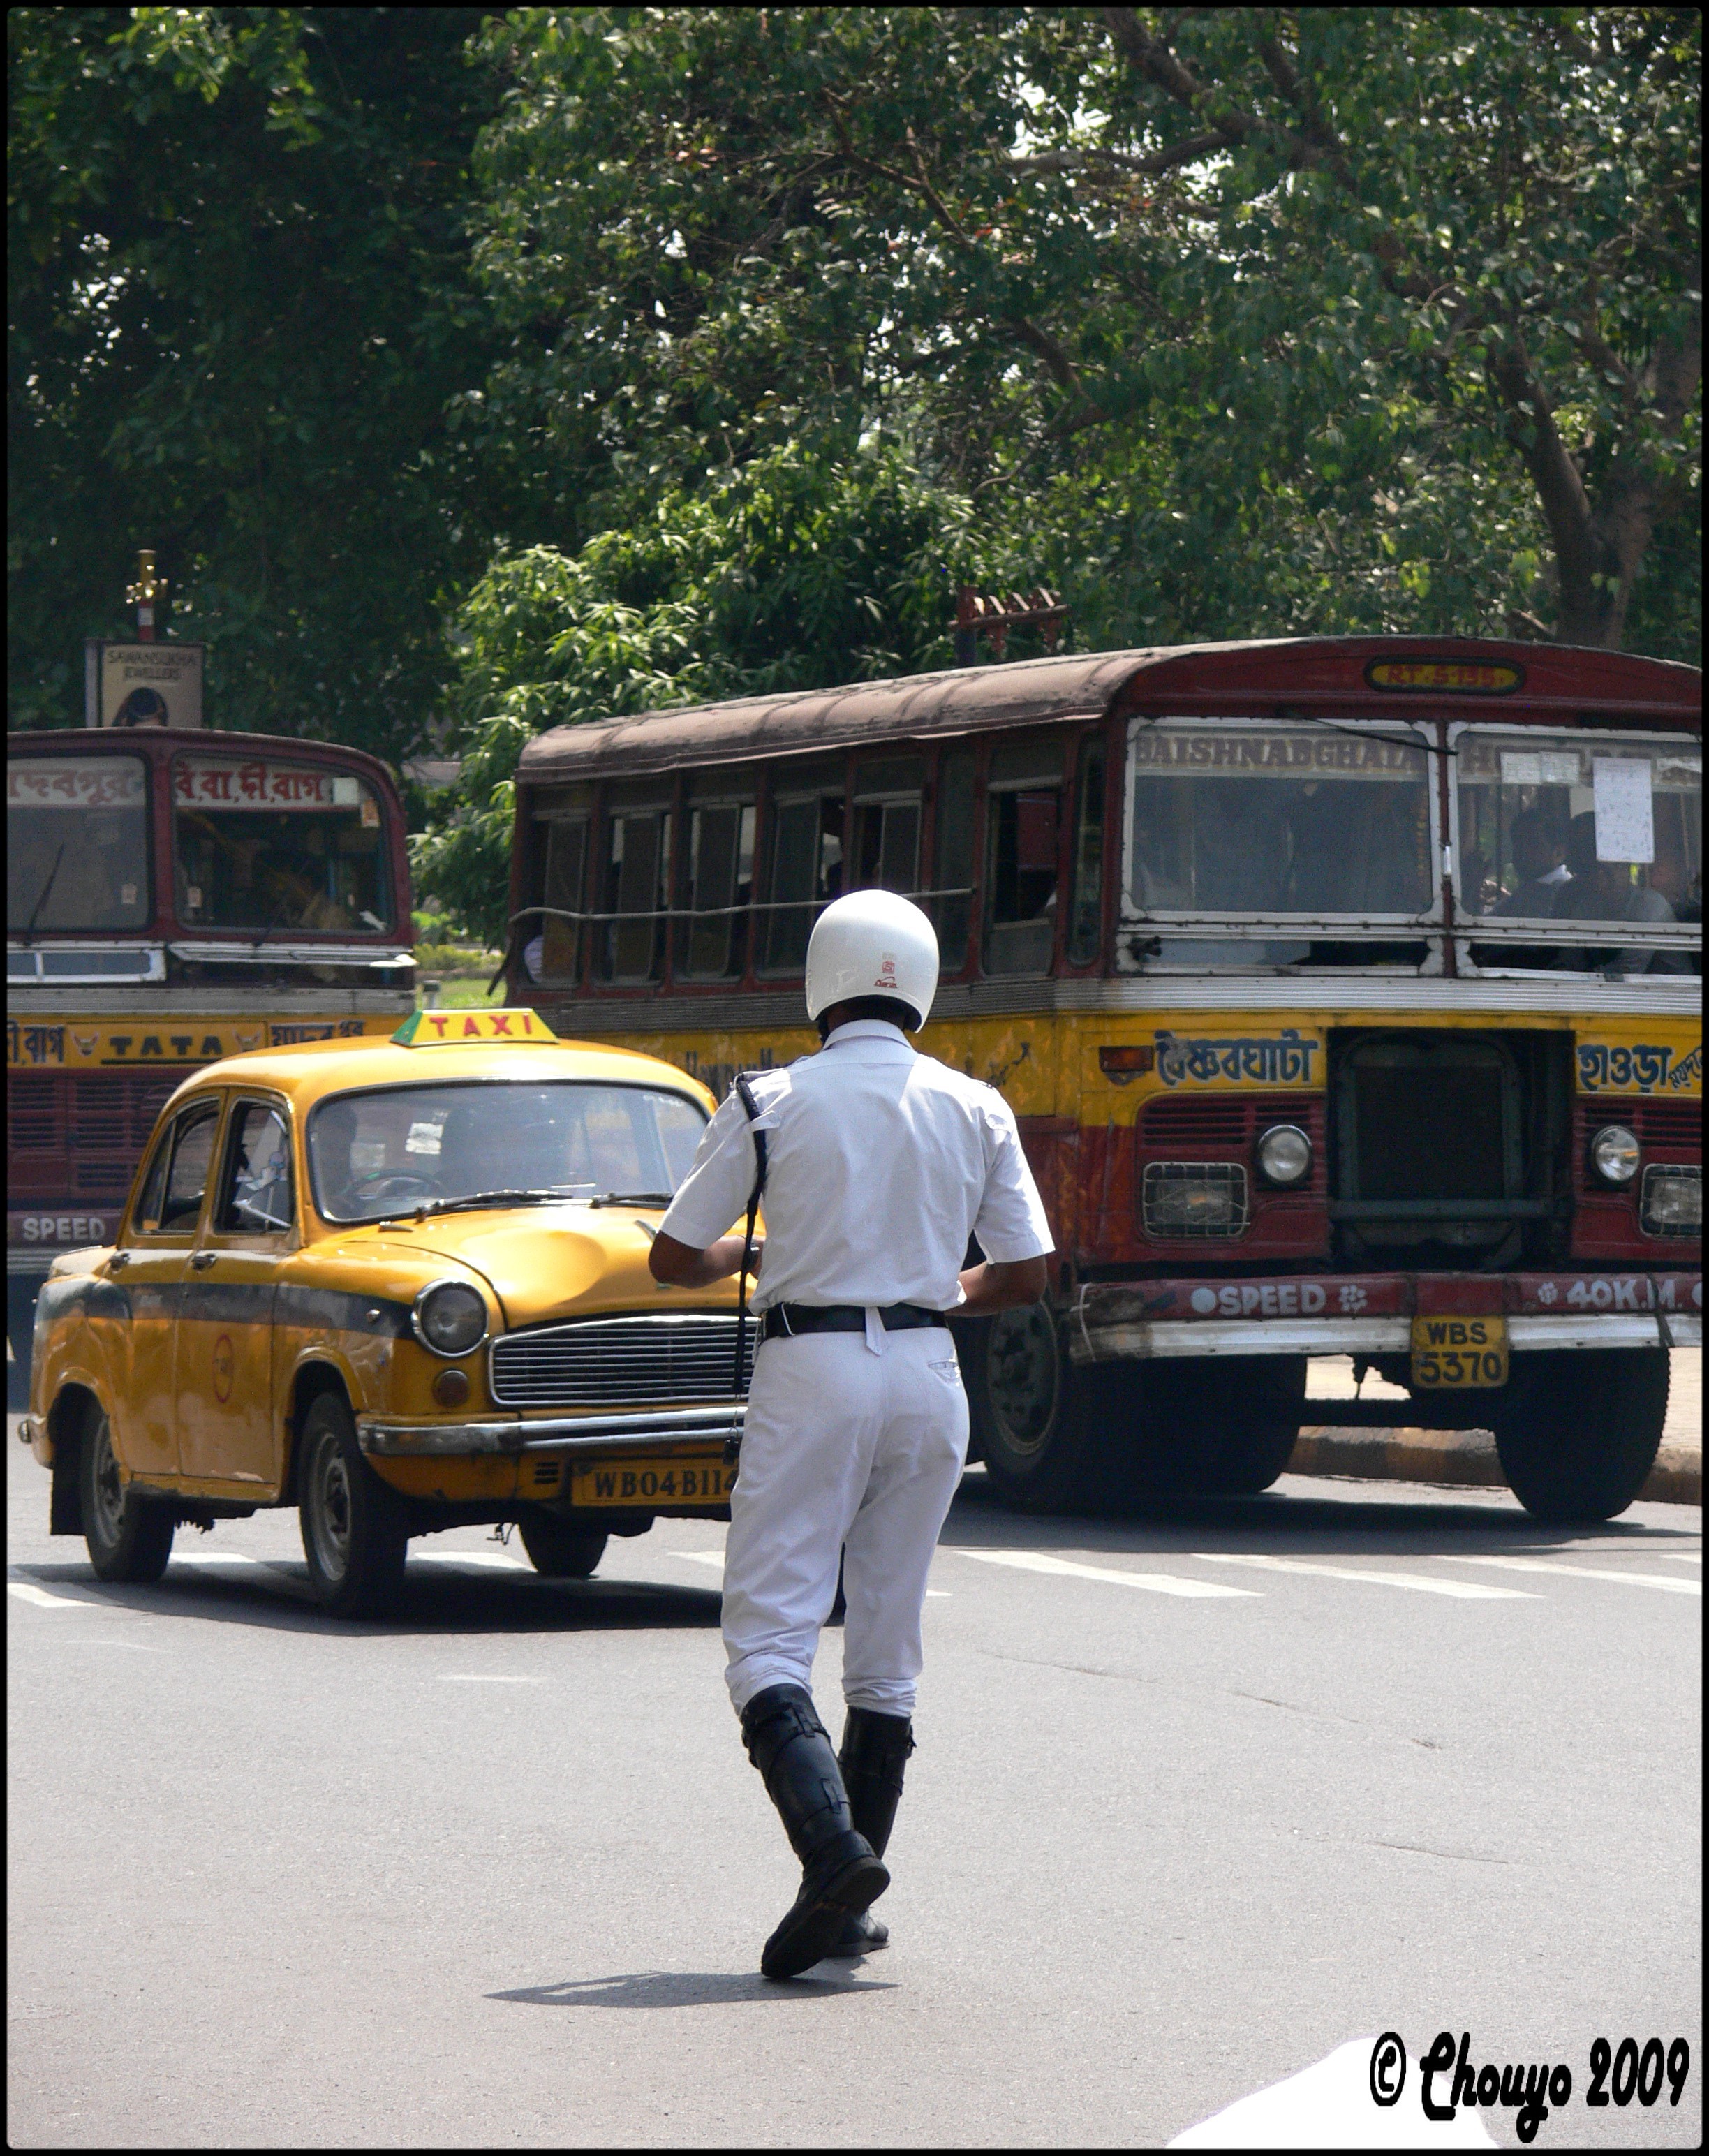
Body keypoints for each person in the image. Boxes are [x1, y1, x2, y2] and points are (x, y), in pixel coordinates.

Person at [649, 889, 1053, 1980]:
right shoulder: (976, 1105)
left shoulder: (772, 1101)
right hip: (931, 1371)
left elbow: (673, 1258)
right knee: (888, 1643)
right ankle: (849, 1897)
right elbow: (1025, 1272)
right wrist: (929, 1295)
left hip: (812, 1366)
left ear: (821, 982)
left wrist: (747, 1248)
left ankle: (833, 1855)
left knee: (768, 1637)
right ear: (916, 984)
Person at [1552, 811, 1684, 973]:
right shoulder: (1588, 905)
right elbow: (1571, 954)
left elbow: (1625, 971)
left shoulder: (1649, 906)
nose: (1590, 879)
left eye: (1604, 870)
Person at [1489, 806, 1571, 917]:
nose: (1523, 852)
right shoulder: (1529, 891)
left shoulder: (1561, 894)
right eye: (1518, 844)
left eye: (1533, 845)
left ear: (1559, 853)